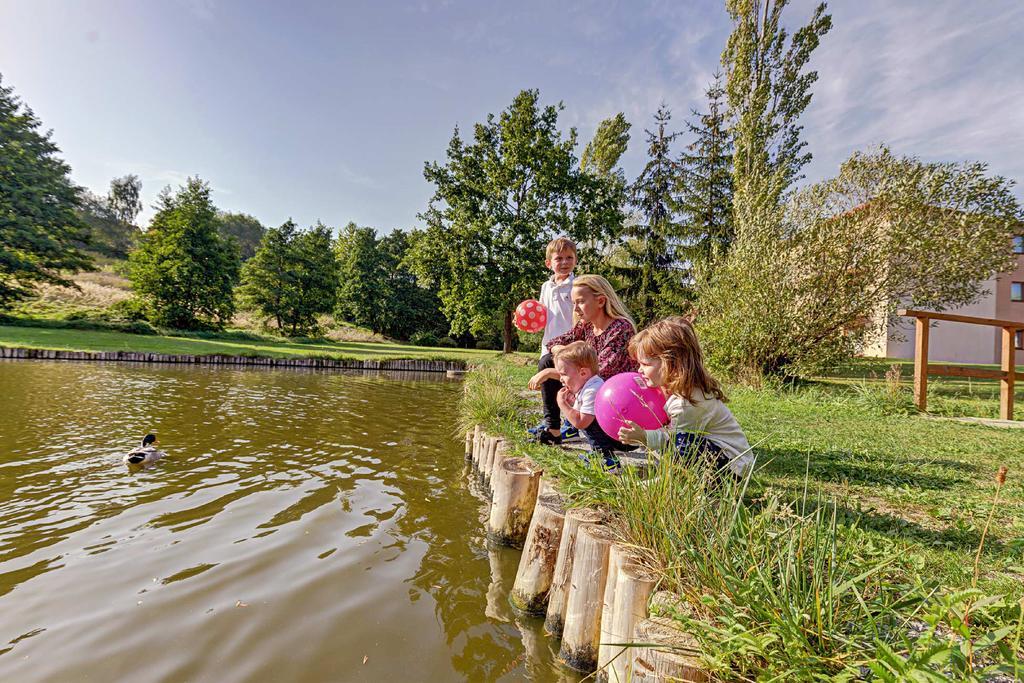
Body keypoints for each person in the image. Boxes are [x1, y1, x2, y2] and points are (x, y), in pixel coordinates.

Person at [616, 316, 754, 479]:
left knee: (684, 442)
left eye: (645, 364)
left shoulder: (687, 402)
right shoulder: (670, 391)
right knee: (683, 442)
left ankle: (681, 487)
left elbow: (674, 441)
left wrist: (645, 437)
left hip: (731, 468)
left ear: (671, 363)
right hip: (719, 460)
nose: (639, 370)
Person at [528, 274, 637, 445]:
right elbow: (554, 342)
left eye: (580, 302)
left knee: (554, 370)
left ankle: (603, 449)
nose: (575, 309)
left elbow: (598, 373)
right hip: (593, 393)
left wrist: (551, 373)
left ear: (601, 301)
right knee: (548, 360)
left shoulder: (621, 328)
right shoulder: (586, 324)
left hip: (618, 409)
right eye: (573, 303)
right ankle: (553, 431)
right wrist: (561, 353)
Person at [553, 342, 636, 468]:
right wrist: (573, 403)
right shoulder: (588, 385)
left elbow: (581, 422)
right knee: (586, 416)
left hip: (625, 438)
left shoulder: (593, 390)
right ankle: (600, 453)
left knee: (588, 421)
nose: (560, 379)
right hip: (618, 433)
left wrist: (562, 404)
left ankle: (606, 458)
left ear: (583, 373)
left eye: (563, 374)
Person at [528, 237, 578, 440]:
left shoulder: (576, 285)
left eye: (569, 257)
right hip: (549, 343)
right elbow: (541, 314)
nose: (565, 262)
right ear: (549, 263)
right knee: (549, 383)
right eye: (559, 258)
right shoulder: (546, 287)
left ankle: (572, 424)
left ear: (575, 260)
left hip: (571, 344)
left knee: (570, 385)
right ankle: (552, 424)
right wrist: (526, 322)